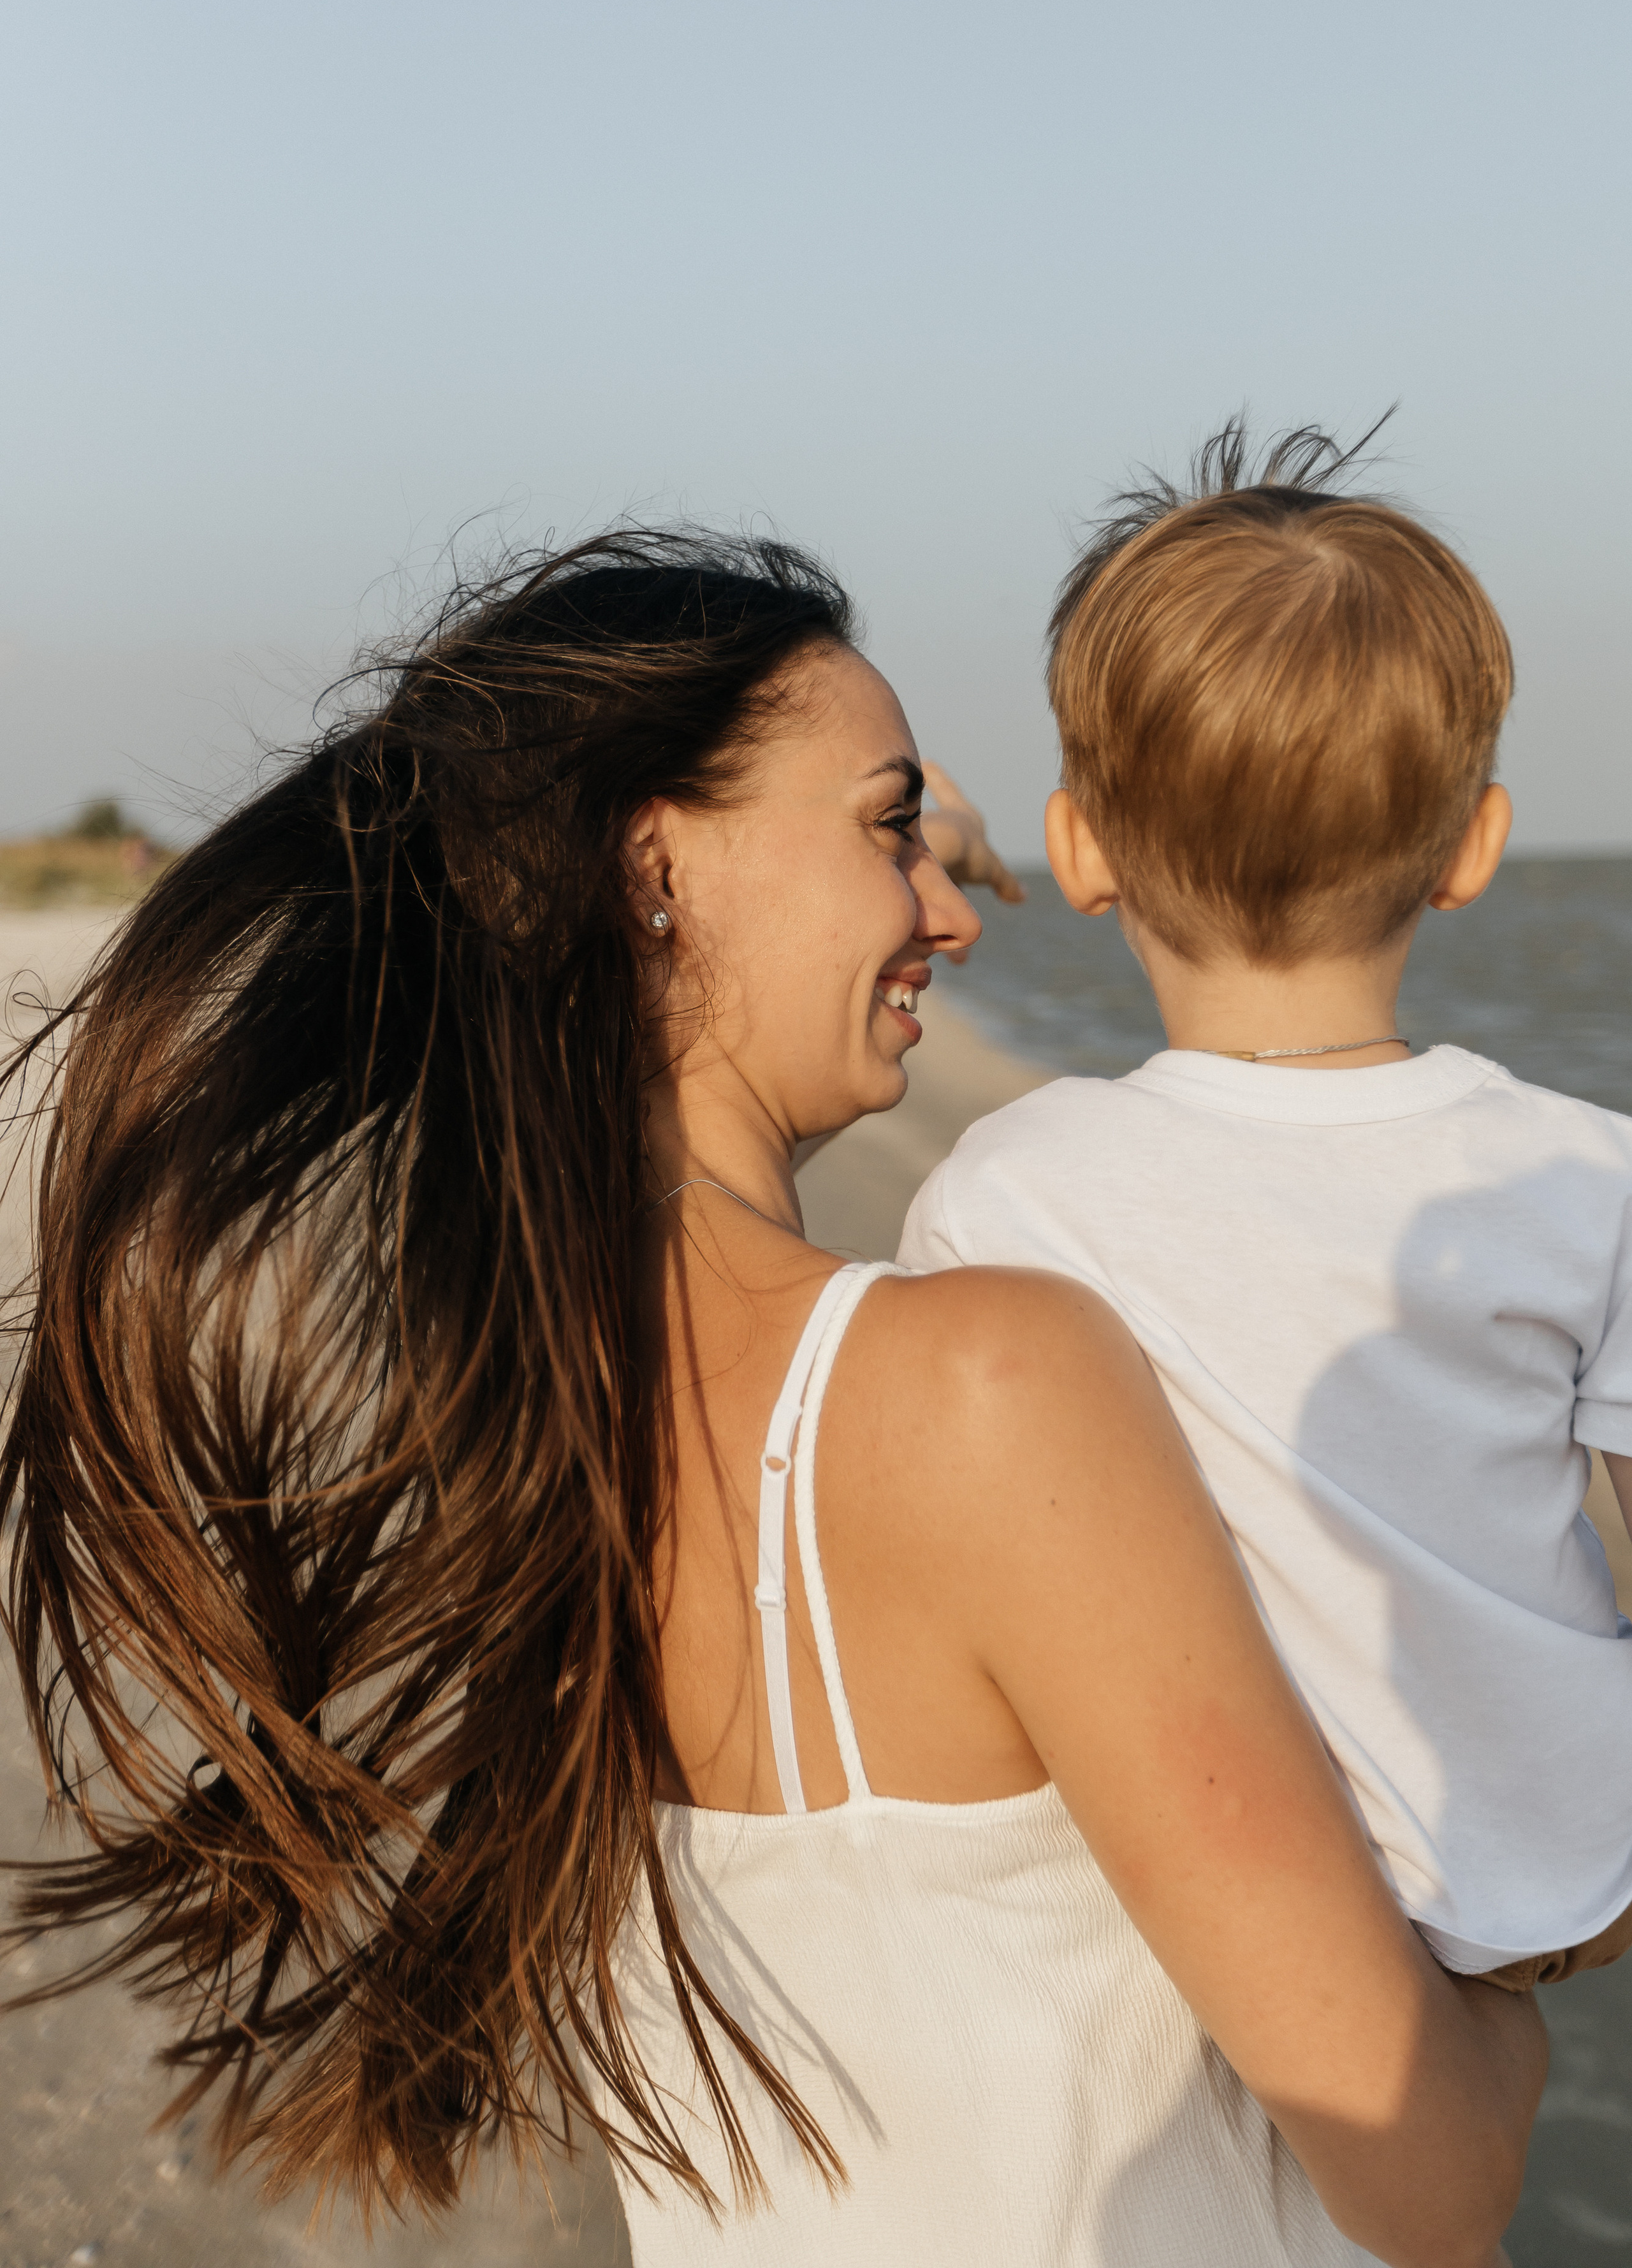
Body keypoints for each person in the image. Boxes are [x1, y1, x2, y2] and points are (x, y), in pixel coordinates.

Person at [1, 530, 1541, 2265]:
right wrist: (1529, 1959)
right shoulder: (983, 1387)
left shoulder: (546, 1418)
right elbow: (1437, 2176)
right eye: (894, 830)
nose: (947, 909)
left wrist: (898, 823)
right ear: (648, 862)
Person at [902, 422, 1632, 1999]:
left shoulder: (1012, 1191)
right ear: (1475, 850)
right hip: (1554, 1875)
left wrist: (921, 851)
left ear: (1080, 850)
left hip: (1199, 1899)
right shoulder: (1589, 1171)